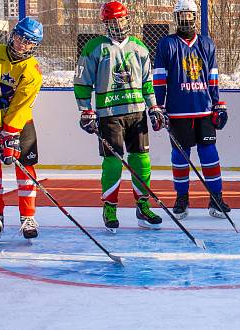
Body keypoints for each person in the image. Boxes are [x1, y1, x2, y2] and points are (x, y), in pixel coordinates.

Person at [74, 1, 166, 232]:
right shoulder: (94, 47)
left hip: (136, 114)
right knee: (113, 163)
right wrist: (85, 110)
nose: (117, 24)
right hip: (108, 115)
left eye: (120, 19)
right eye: (111, 21)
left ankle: (142, 207)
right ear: (105, 23)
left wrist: (153, 106)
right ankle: (110, 208)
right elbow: (82, 82)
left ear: (127, 19)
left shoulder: (139, 47)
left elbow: (147, 82)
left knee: (141, 161)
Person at [153, 0, 231, 219]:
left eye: (190, 15)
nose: (186, 19)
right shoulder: (167, 44)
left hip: (204, 110)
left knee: (210, 154)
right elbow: (159, 78)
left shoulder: (206, 43)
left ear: (196, 17)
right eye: (182, 15)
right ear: (176, 18)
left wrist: (217, 103)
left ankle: (216, 198)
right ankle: (182, 198)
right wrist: (159, 106)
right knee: (180, 157)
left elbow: (212, 76)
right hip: (178, 112)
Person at [0, 17, 44, 243]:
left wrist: (9, 133)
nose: (23, 44)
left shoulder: (32, 71)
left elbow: (22, 105)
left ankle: (28, 216)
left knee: (26, 170)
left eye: (29, 42)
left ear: (35, 46)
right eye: (20, 38)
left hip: (20, 125)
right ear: (13, 35)